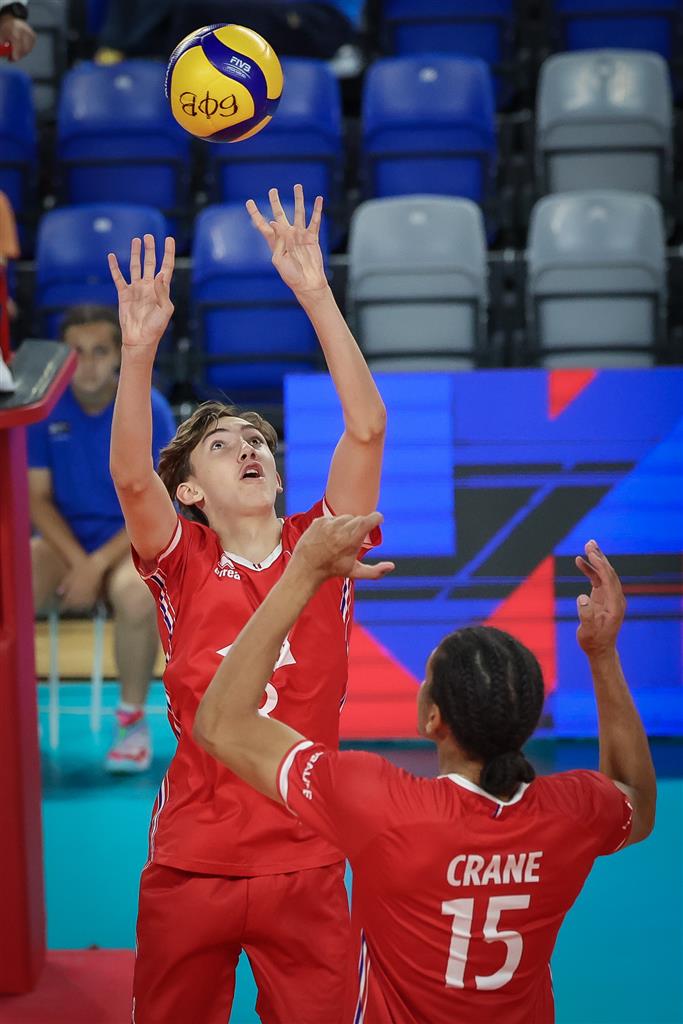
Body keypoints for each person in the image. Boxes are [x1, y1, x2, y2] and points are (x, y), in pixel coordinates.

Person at [195, 516, 657, 1023]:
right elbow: (635, 797)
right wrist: (603, 654)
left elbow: (221, 724)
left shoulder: (378, 803)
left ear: (432, 718)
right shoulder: (572, 812)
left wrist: (303, 571)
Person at [108, 184, 386, 1023]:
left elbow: (366, 429)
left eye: (257, 440)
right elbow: (133, 480)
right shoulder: (182, 562)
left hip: (307, 857)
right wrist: (137, 353)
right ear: (191, 491)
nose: (248, 448)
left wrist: (316, 292)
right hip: (193, 860)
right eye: (223, 446)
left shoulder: (323, 548)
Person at [28, 305, 176, 772]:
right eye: (77, 352)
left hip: (129, 540)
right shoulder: (42, 410)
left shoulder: (149, 407)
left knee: (136, 593)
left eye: (99, 352)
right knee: (15, 576)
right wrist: (79, 562)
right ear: (62, 358)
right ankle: (15, 714)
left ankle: (131, 724)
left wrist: (95, 565)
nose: (88, 364)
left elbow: (159, 501)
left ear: (117, 356)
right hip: (63, 542)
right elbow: (36, 499)